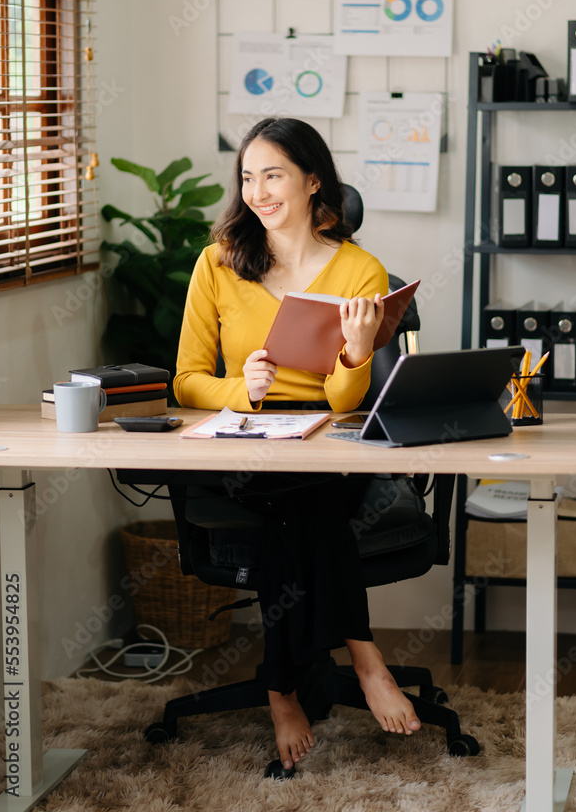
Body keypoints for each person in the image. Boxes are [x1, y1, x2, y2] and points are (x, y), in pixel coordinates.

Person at [174, 117, 421, 771]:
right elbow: (186, 380)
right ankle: (363, 655)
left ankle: (282, 689)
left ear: (313, 181)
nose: (257, 191)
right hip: (244, 437)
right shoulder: (220, 261)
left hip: (328, 436)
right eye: (248, 177)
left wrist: (358, 351)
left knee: (303, 504)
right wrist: (240, 388)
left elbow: (345, 401)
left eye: (273, 175)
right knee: (306, 506)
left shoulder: (360, 269)